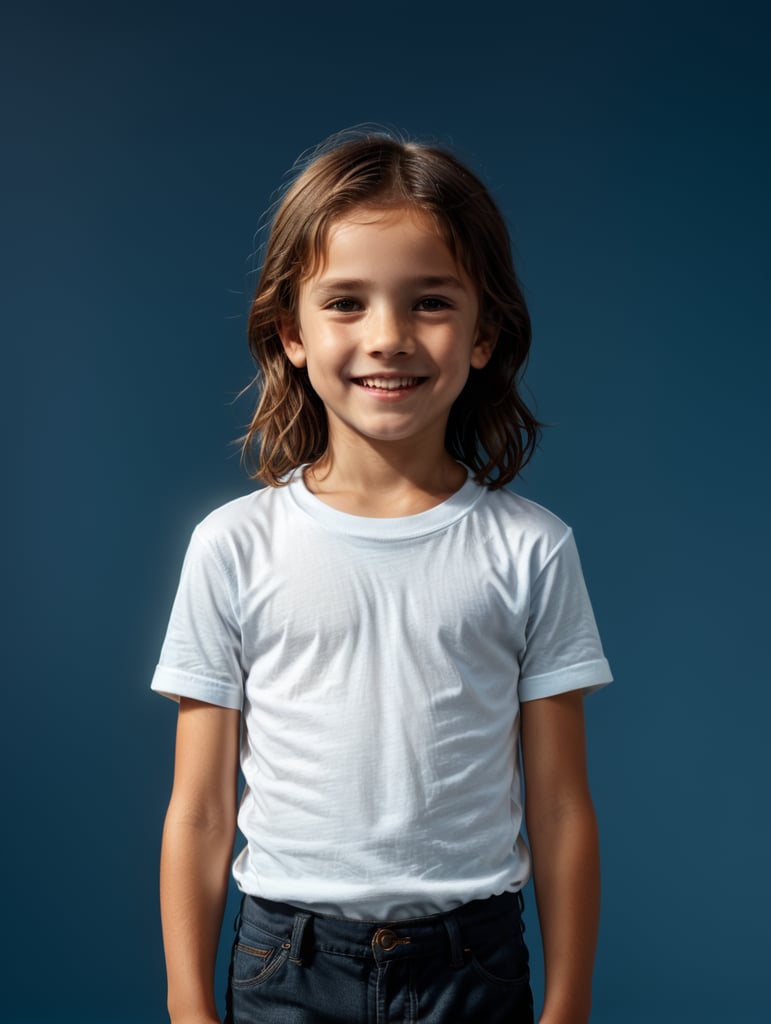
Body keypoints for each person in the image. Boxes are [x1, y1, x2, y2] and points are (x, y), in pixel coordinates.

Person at [152, 131, 612, 1024]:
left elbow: (559, 807)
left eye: (430, 302)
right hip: (284, 967)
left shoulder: (532, 550)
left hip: (473, 969)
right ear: (291, 331)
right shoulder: (232, 546)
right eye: (347, 303)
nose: (388, 338)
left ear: (484, 334)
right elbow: (201, 811)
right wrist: (185, 1005)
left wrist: (567, 1006)